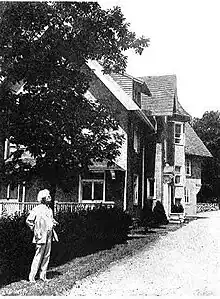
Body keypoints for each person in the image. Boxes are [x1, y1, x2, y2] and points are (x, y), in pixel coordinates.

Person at [26, 189, 58, 282]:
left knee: (47, 255)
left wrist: (53, 222)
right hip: (40, 235)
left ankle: (43, 275)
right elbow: (29, 221)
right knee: (38, 255)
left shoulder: (49, 209)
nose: (50, 198)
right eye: (48, 196)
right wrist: (35, 230)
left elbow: (50, 220)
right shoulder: (37, 209)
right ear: (43, 198)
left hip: (49, 234)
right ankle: (32, 276)